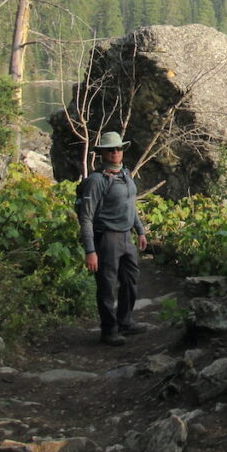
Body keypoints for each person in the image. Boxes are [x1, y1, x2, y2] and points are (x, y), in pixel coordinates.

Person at [78, 131, 149, 346]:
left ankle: (125, 322)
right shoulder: (96, 181)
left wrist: (140, 230)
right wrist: (90, 250)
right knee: (107, 285)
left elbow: (131, 205)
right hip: (107, 238)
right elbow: (86, 217)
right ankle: (109, 330)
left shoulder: (125, 174)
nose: (115, 152)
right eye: (110, 149)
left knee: (130, 280)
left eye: (118, 148)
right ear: (102, 154)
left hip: (126, 236)